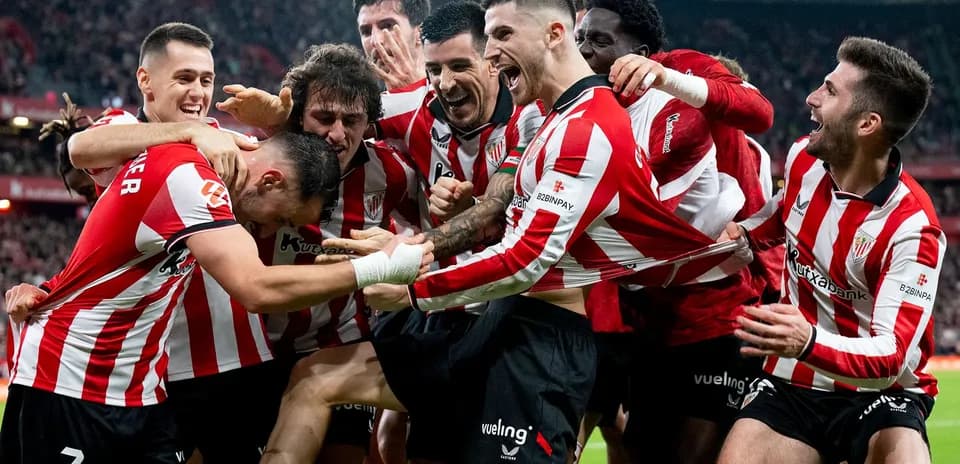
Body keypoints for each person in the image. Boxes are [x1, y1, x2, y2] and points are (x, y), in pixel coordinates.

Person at [260, 1, 752, 463]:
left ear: (555, 34)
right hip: (500, 315)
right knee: (326, 386)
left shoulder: (588, 128)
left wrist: (413, 285)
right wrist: (412, 245)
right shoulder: (542, 118)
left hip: (547, 341)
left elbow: (524, 259)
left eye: (500, 35)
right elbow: (497, 215)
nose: (491, 53)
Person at [0, 126, 432, 463]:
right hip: (71, 383)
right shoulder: (193, 178)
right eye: (280, 217)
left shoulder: (214, 157)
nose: (268, 231)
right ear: (269, 181)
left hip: (139, 392)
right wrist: (378, 268)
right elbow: (256, 288)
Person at [718, 37, 941, 464]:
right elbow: (784, 213)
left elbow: (893, 355)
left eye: (830, 90)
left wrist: (807, 340)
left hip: (880, 395)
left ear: (866, 124)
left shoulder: (913, 229)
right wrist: (745, 233)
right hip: (793, 385)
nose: (811, 98)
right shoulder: (804, 158)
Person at [61, 22, 276, 463]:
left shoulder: (222, 138)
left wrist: (278, 123)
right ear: (145, 80)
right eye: (184, 79)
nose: (198, 93)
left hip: (241, 357)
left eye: (206, 80)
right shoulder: (124, 130)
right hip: (161, 370)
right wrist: (188, 134)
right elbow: (80, 148)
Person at [576, 3, 777, 461]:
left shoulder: (683, 78)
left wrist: (666, 78)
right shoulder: (590, 106)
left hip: (719, 316)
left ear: (642, 52)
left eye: (599, 41)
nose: (584, 51)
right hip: (647, 317)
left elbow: (758, 112)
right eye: (580, 39)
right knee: (636, 446)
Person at [256, 43, 421, 464]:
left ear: (369, 123)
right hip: (258, 348)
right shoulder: (262, 163)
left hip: (339, 345)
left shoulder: (392, 173)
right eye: (324, 117)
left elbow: (424, 227)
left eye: (352, 120)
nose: (337, 133)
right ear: (298, 115)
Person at [355, 0, 431, 90]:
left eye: (387, 26)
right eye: (366, 32)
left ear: (420, 32)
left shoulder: (447, 92)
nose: (375, 41)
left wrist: (414, 90)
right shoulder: (362, 99)